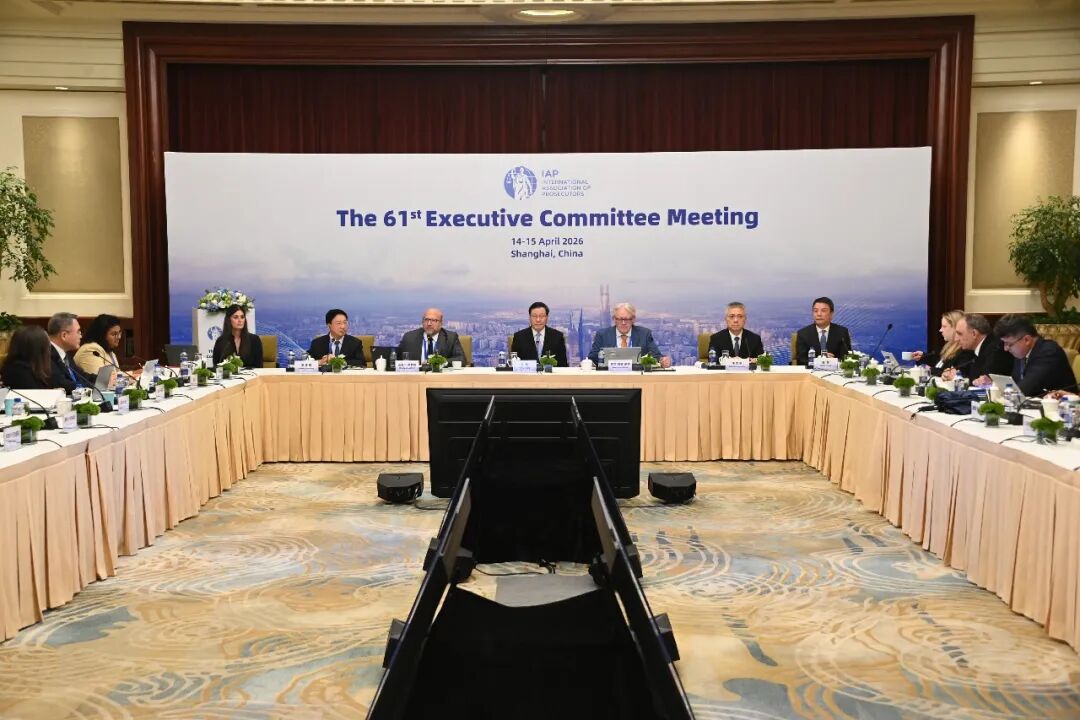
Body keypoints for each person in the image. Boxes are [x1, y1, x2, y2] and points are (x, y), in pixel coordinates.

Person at [994, 314, 1076, 396]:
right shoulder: (1022, 353)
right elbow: (1015, 385)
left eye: (1009, 344)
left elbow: (1026, 389)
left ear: (1027, 340)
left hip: (1063, 402)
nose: (1005, 348)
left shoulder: (1049, 352)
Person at [587, 302, 671, 368]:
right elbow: (593, 358)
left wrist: (663, 361)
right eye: (620, 319)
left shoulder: (644, 334)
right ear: (614, 319)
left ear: (633, 319)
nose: (623, 323)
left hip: (637, 378)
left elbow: (656, 356)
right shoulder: (602, 335)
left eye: (627, 319)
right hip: (610, 377)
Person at [942, 313, 1012, 386]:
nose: (956, 339)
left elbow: (982, 380)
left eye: (960, 334)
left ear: (974, 333)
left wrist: (957, 378)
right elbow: (971, 373)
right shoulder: (979, 348)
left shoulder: (995, 349)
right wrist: (955, 373)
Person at [911, 309, 971, 376]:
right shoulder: (948, 347)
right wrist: (923, 357)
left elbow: (955, 373)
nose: (940, 330)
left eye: (944, 326)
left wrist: (930, 370)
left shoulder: (965, 351)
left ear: (956, 327)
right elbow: (939, 363)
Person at [510, 301, 569, 368]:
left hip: (550, 374)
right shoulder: (519, 337)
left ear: (547, 318)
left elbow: (563, 365)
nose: (538, 320)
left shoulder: (557, 337)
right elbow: (515, 365)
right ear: (529, 318)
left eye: (541, 316)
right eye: (534, 316)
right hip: (527, 374)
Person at [397, 308, 465, 364]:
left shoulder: (451, 338)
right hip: (416, 375)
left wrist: (439, 362)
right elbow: (396, 358)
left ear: (441, 323)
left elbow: (461, 359)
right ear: (422, 322)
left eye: (434, 320)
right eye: (426, 320)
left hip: (440, 375)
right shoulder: (409, 337)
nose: (429, 324)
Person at [795, 296, 851, 365]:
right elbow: (801, 359)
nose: (819, 314)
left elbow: (847, 357)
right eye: (815, 311)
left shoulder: (842, 332)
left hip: (835, 370)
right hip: (811, 370)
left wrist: (832, 361)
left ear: (831, 314)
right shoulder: (803, 333)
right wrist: (819, 360)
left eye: (823, 311)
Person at [48, 312, 94, 393]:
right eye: (78, 332)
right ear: (64, 335)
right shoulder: (47, 355)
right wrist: (93, 386)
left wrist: (103, 379)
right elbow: (64, 384)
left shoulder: (65, 355)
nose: (81, 336)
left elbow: (82, 376)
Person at [1, 325, 56, 390]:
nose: (49, 348)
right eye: (47, 345)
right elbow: (35, 393)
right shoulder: (19, 372)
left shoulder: (33, 367)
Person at [74, 314, 123, 386]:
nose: (119, 337)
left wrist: (133, 374)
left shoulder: (109, 351)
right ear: (101, 335)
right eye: (114, 334)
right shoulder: (91, 350)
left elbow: (117, 374)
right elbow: (101, 382)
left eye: (119, 333)